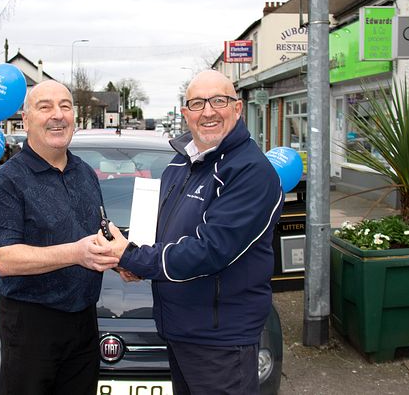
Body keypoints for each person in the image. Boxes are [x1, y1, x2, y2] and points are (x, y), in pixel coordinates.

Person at [98, 70, 284, 394]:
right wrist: (130, 255)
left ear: (237, 109)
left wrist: (133, 257)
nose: (208, 111)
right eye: (197, 103)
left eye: (219, 101)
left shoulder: (250, 171)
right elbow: (164, 234)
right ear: (185, 114)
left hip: (220, 341)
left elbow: (210, 249)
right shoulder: (181, 163)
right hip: (180, 330)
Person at [0, 80, 119, 395]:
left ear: (74, 117)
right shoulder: (6, 182)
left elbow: (99, 233)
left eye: (65, 106)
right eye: (45, 107)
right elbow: (5, 259)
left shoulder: (84, 173)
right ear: (26, 121)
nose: (57, 115)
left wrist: (122, 259)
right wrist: (76, 253)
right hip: (32, 328)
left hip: (83, 322)